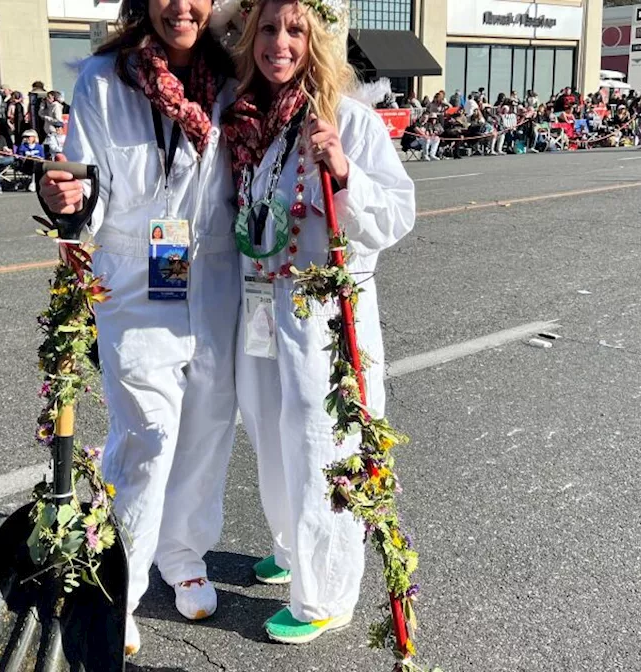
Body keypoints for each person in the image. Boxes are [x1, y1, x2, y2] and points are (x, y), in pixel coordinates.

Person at [39, 0, 240, 656]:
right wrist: (63, 197)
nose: (181, 5)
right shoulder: (104, 77)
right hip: (137, 270)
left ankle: (182, 552)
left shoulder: (231, 75)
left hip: (212, 269)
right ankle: (118, 580)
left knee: (209, 423)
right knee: (150, 429)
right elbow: (82, 179)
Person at [220, 0, 414, 644]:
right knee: (269, 431)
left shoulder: (349, 121)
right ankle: (290, 546)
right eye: (269, 29)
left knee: (321, 445)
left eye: (295, 29)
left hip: (327, 314)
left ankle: (325, 593)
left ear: (318, 40)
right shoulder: (248, 124)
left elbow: (396, 216)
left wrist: (343, 171)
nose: (280, 41)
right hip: (261, 309)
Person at [39, 90, 66, 159]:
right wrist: (42, 104)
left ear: (54, 97)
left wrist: (47, 118)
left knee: (52, 149)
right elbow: (41, 114)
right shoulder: (50, 106)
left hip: (54, 131)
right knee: (48, 149)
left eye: (49, 97)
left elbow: (58, 120)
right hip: (48, 130)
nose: (47, 99)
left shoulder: (56, 106)